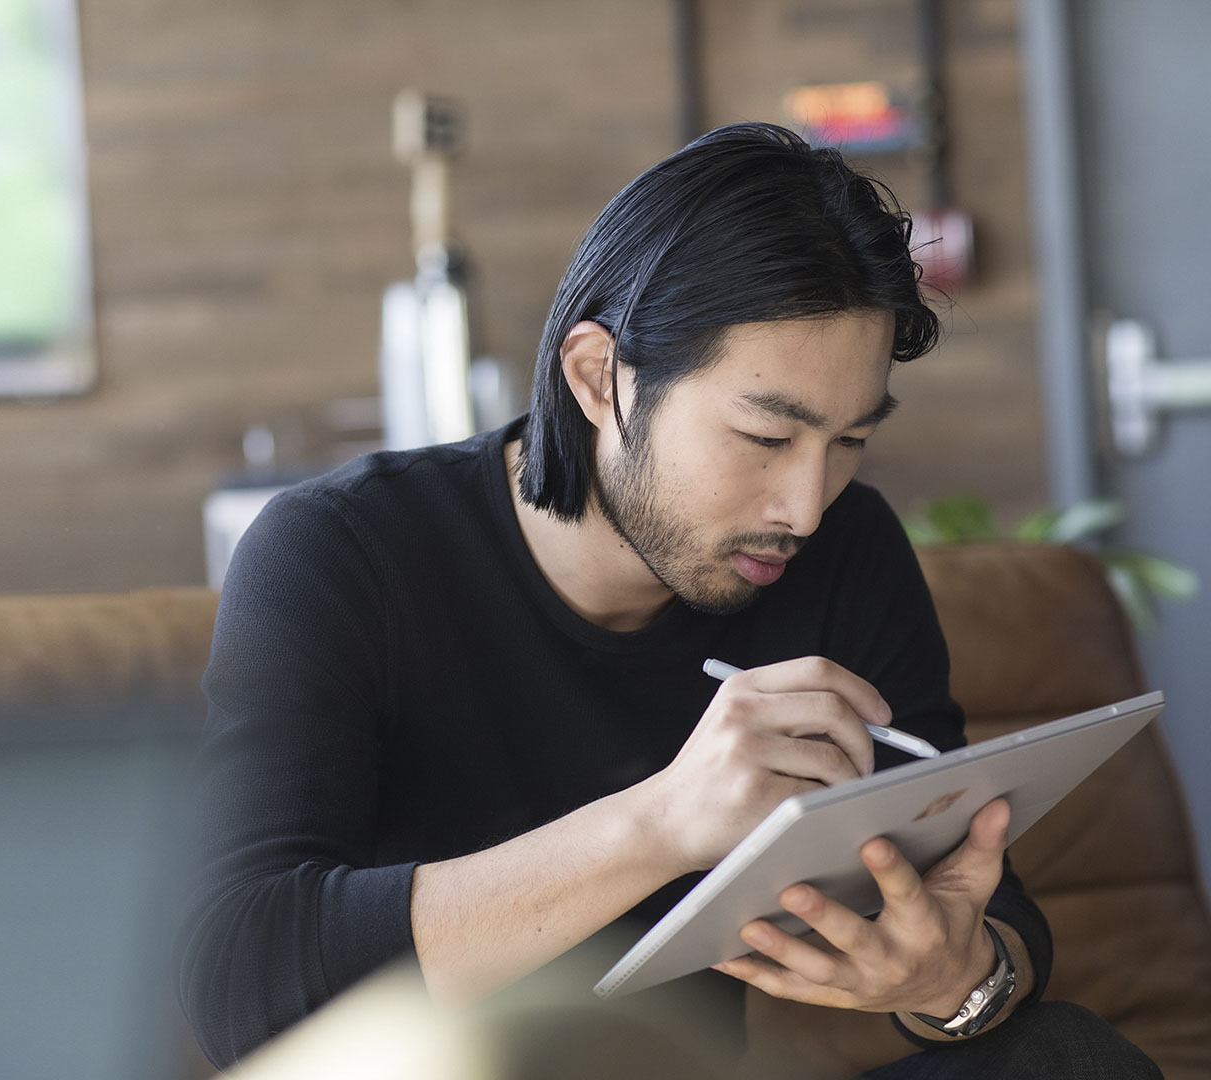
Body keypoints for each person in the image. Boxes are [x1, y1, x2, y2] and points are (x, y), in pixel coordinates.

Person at [176, 123, 1160, 1077]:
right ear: (600, 377)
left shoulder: (845, 555)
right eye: (768, 439)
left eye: (850, 442)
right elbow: (240, 984)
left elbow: (988, 909)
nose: (806, 507)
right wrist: (660, 825)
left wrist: (955, 978)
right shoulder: (339, 555)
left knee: (1065, 1058)